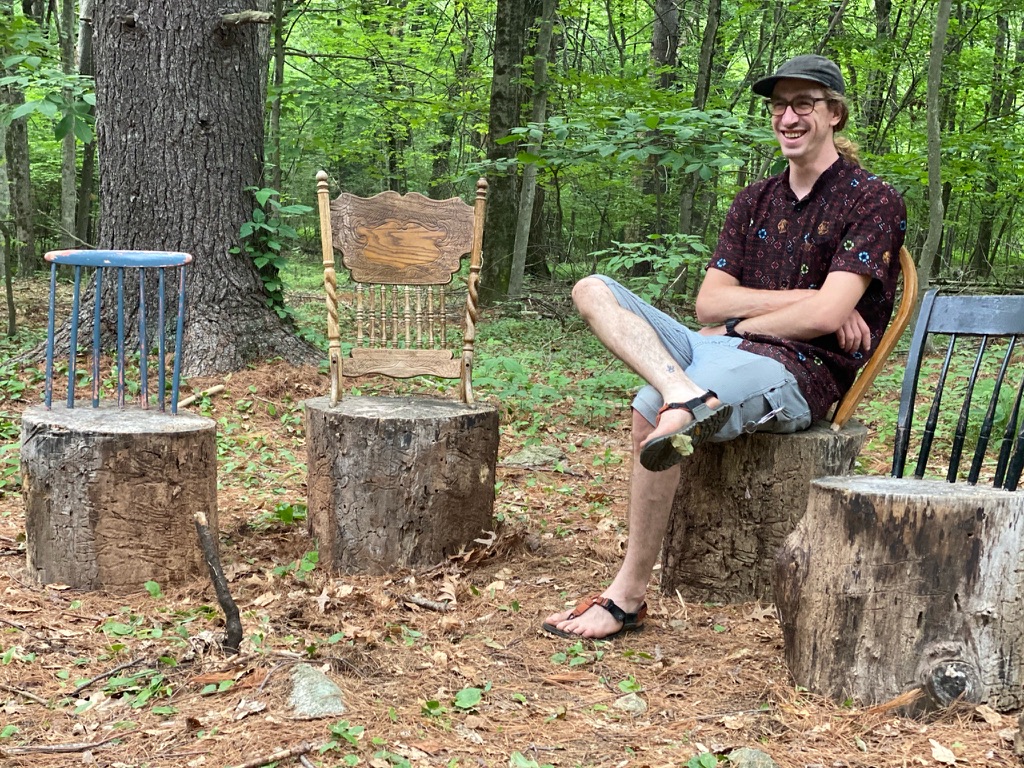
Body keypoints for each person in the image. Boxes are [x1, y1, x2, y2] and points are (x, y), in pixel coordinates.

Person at [543, 54, 907, 640]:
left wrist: (749, 320)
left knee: (649, 410)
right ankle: (683, 388)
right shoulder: (753, 200)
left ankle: (627, 596)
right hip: (714, 348)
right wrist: (802, 302)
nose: (788, 117)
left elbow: (826, 316)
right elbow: (709, 305)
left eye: (804, 104)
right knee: (593, 289)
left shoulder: (872, 200)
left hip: (798, 369)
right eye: (778, 105)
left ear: (834, 114)